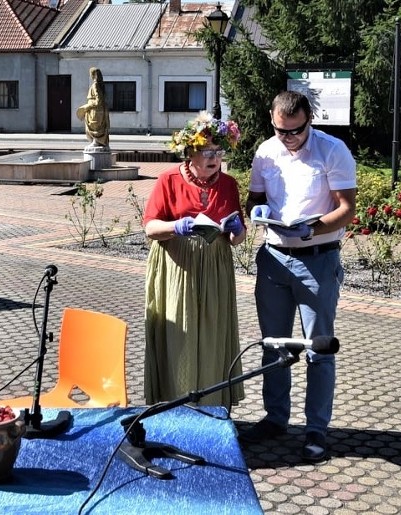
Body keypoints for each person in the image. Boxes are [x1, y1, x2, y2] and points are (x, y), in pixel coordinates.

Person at [239, 90, 357, 463]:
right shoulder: (266, 151)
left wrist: (314, 229)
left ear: (309, 121)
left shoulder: (332, 150)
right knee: (275, 345)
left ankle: (316, 431)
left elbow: (347, 209)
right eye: (280, 130)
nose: (288, 138)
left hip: (317, 260)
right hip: (273, 258)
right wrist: (257, 212)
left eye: (295, 131)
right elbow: (253, 200)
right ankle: (276, 419)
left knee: (318, 349)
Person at [142, 111, 246, 407]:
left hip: (215, 268)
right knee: (180, 337)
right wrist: (175, 227)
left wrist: (237, 230)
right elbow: (150, 227)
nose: (214, 157)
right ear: (190, 153)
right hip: (178, 266)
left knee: (213, 337)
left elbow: (237, 239)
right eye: (206, 151)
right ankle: (176, 407)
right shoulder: (168, 180)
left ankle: (212, 406)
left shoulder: (227, 185)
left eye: (218, 151)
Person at [75, 67, 110, 148]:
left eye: (91, 74)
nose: (90, 76)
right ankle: (100, 142)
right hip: (101, 109)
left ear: (93, 75)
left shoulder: (95, 85)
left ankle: (96, 141)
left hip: (95, 110)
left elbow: (98, 100)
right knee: (99, 126)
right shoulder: (101, 85)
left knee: (94, 126)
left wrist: (87, 106)